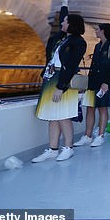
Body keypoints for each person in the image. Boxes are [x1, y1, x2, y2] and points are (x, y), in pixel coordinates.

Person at [32, 12, 87, 163]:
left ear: (72, 24)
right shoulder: (63, 39)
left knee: (63, 116)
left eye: (65, 21)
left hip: (62, 81)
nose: (62, 23)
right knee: (52, 116)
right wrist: (64, 5)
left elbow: (70, 66)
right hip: (51, 79)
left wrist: (61, 86)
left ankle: (68, 148)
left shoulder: (78, 42)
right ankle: (53, 149)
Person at [74, 23, 110, 147]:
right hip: (93, 81)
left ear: (103, 31)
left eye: (97, 30)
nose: (96, 32)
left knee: (102, 108)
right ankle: (87, 136)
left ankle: (100, 135)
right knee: (90, 107)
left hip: (104, 81)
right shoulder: (97, 46)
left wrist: (106, 82)